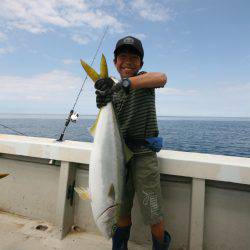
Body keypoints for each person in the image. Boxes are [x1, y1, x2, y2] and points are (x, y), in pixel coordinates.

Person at [94, 36, 171, 250]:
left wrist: (124, 84)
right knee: (122, 209)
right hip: (118, 157)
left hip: (144, 156)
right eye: (122, 56)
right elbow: (107, 127)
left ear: (141, 64)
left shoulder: (144, 81)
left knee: (152, 211)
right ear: (115, 62)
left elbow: (162, 78)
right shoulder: (114, 92)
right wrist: (102, 99)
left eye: (134, 57)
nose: (128, 61)